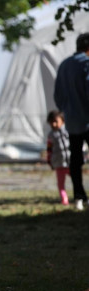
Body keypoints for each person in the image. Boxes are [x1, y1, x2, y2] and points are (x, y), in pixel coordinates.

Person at [54, 32, 89, 210]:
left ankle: (79, 197)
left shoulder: (64, 65)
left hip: (73, 121)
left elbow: (58, 96)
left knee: (75, 159)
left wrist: (67, 111)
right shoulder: (86, 64)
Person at [46, 110, 70, 205]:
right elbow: (49, 150)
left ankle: (80, 196)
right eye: (52, 122)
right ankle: (64, 199)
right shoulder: (51, 135)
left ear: (63, 121)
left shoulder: (68, 131)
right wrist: (49, 161)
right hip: (59, 164)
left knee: (77, 181)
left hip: (70, 162)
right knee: (60, 184)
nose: (54, 124)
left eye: (56, 121)